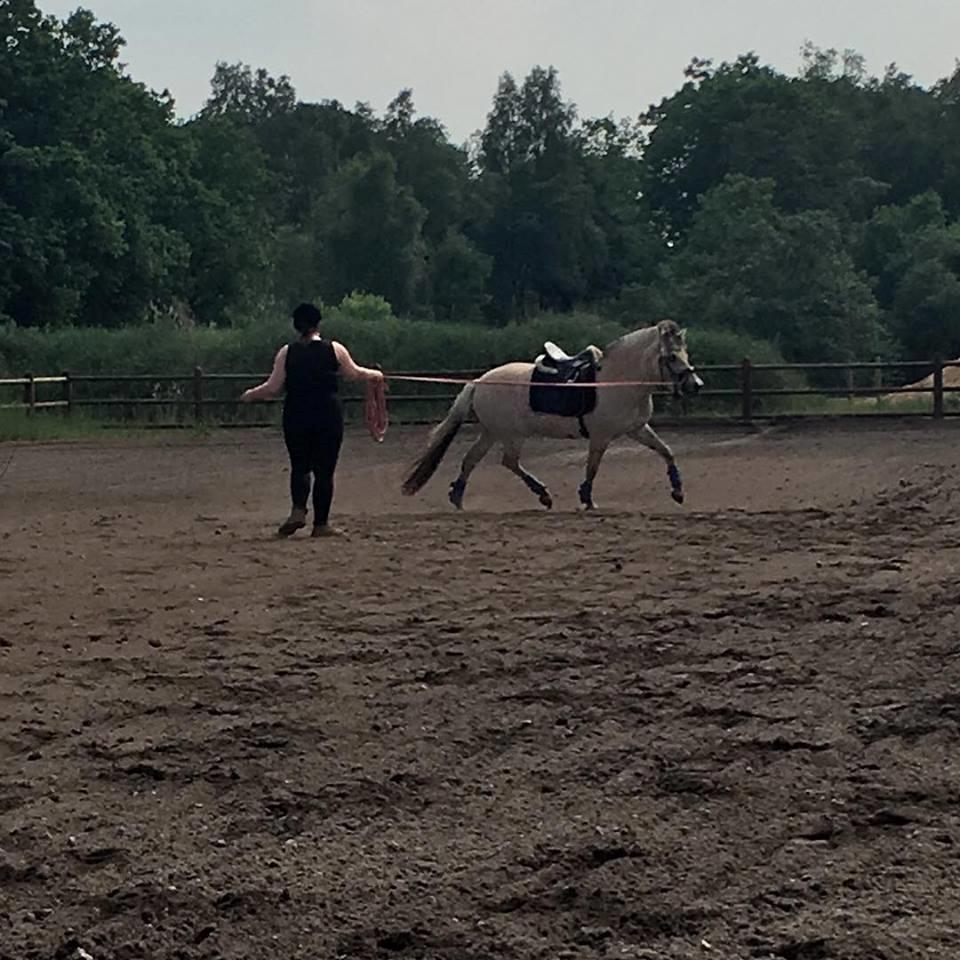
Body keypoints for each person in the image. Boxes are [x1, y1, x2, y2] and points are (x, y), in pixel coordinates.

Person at [241, 302, 384, 537]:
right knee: (324, 471)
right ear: (318, 324)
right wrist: (376, 375)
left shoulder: (287, 352)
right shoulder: (334, 349)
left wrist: (250, 395)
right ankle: (321, 524)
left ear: (296, 326)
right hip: (327, 414)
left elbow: (273, 387)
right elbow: (355, 373)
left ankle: (298, 511)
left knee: (300, 466)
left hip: (296, 413)